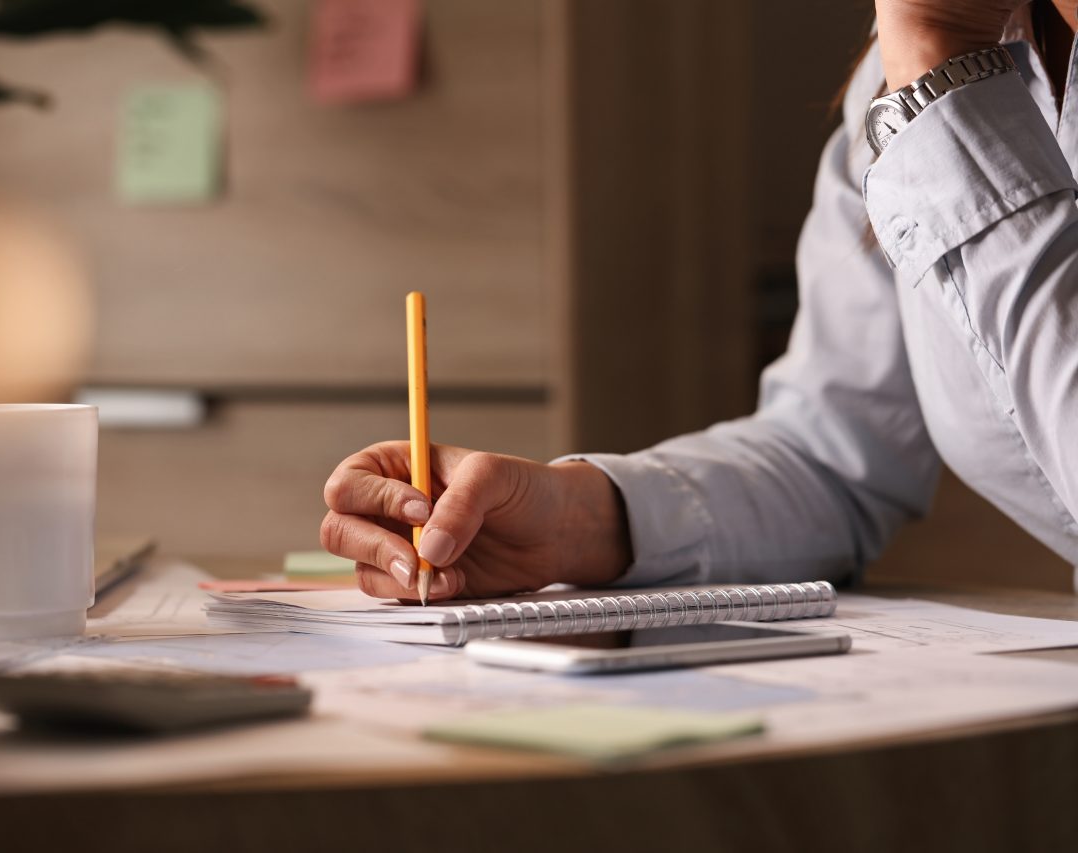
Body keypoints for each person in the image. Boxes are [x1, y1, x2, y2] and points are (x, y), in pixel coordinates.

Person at [321, 0, 1078, 602]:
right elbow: (834, 458)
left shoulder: (927, 53)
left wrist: (941, 62)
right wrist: (571, 521)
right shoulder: (903, 72)